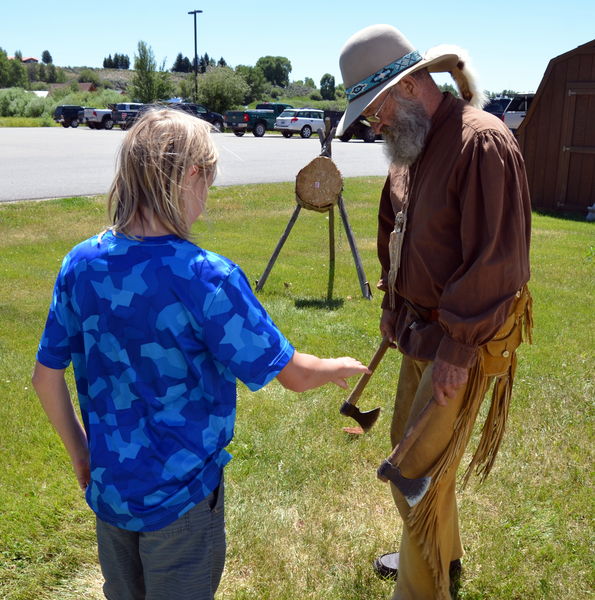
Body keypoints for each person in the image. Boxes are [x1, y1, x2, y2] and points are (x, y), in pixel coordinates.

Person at [32, 108, 369, 600]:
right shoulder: (208, 278)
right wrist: (335, 366)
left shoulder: (79, 265)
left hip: (112, 491)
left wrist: (82, 455)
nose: (206, 195)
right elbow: (292, 374)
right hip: (183, 500)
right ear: (190, 175)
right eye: (207, 179)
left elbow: (45, 378)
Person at [336, 25, 533, 600]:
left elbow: (498, 262)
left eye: (373, 110)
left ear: (410, 85)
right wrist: (393, 306)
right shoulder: (410, 147)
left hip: (460, 346)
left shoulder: (482, 143)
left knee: (414, 469)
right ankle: (441, 553)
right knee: (409, 444)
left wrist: (456, 352)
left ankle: (422, 589)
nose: (373, 125)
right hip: (418, 335)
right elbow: (395, 231)